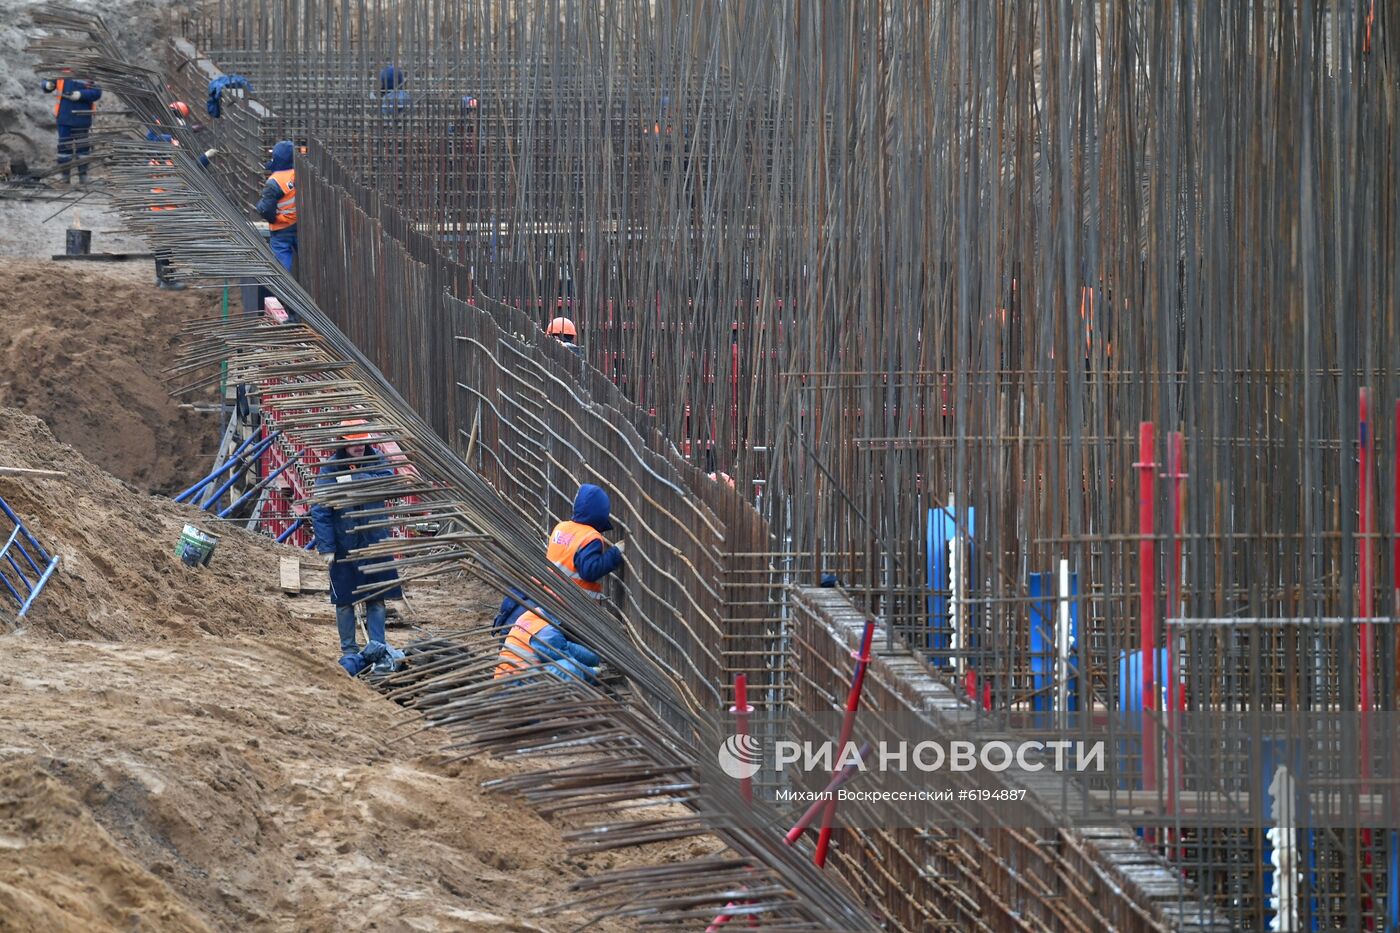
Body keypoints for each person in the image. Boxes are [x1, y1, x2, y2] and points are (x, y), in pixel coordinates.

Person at [310, 420, 403, 658]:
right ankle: (349, 651)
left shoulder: (377, 460)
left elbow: (387, 482)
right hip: (344, 545)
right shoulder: (331, 469)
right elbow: (321, 510)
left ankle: (378, 648)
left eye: (362, 442)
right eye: (354, 443)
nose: (359, 447)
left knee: (376, 598)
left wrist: (353, 480)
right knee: (344, 601)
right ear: (343, 442)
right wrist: (327, 547)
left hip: (374, 542)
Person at [546, 484, 624, 599]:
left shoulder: (561, 527)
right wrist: (615, 553)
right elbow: (590, 571)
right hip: (574, 603)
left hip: (548, 593)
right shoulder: (590, 537)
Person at [494, 609, 601, 682]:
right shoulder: (546, 632)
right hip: (518, 680)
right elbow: (564, 654)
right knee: (570, 668)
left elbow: (567, 648)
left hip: (510, 675)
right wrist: (592, 671)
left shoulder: (532, 614)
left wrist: (594, 657)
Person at [42, 71, 101, 184]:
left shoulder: (88, 74)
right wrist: (47, 85)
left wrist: (81, 94)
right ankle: (65, 177)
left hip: (82, 119)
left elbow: (97, 92)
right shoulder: (61, 72)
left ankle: (83, 176)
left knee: (83, 150)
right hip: (64, 118)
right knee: (64, 149)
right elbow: (46, 82)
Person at [256, 140, 297, 273]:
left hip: (282, 226)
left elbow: (266, 209)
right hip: (299, 223)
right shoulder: (297, 174)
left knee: (282, 257)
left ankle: (284, 287)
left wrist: (270, 216)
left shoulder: (275, 181)